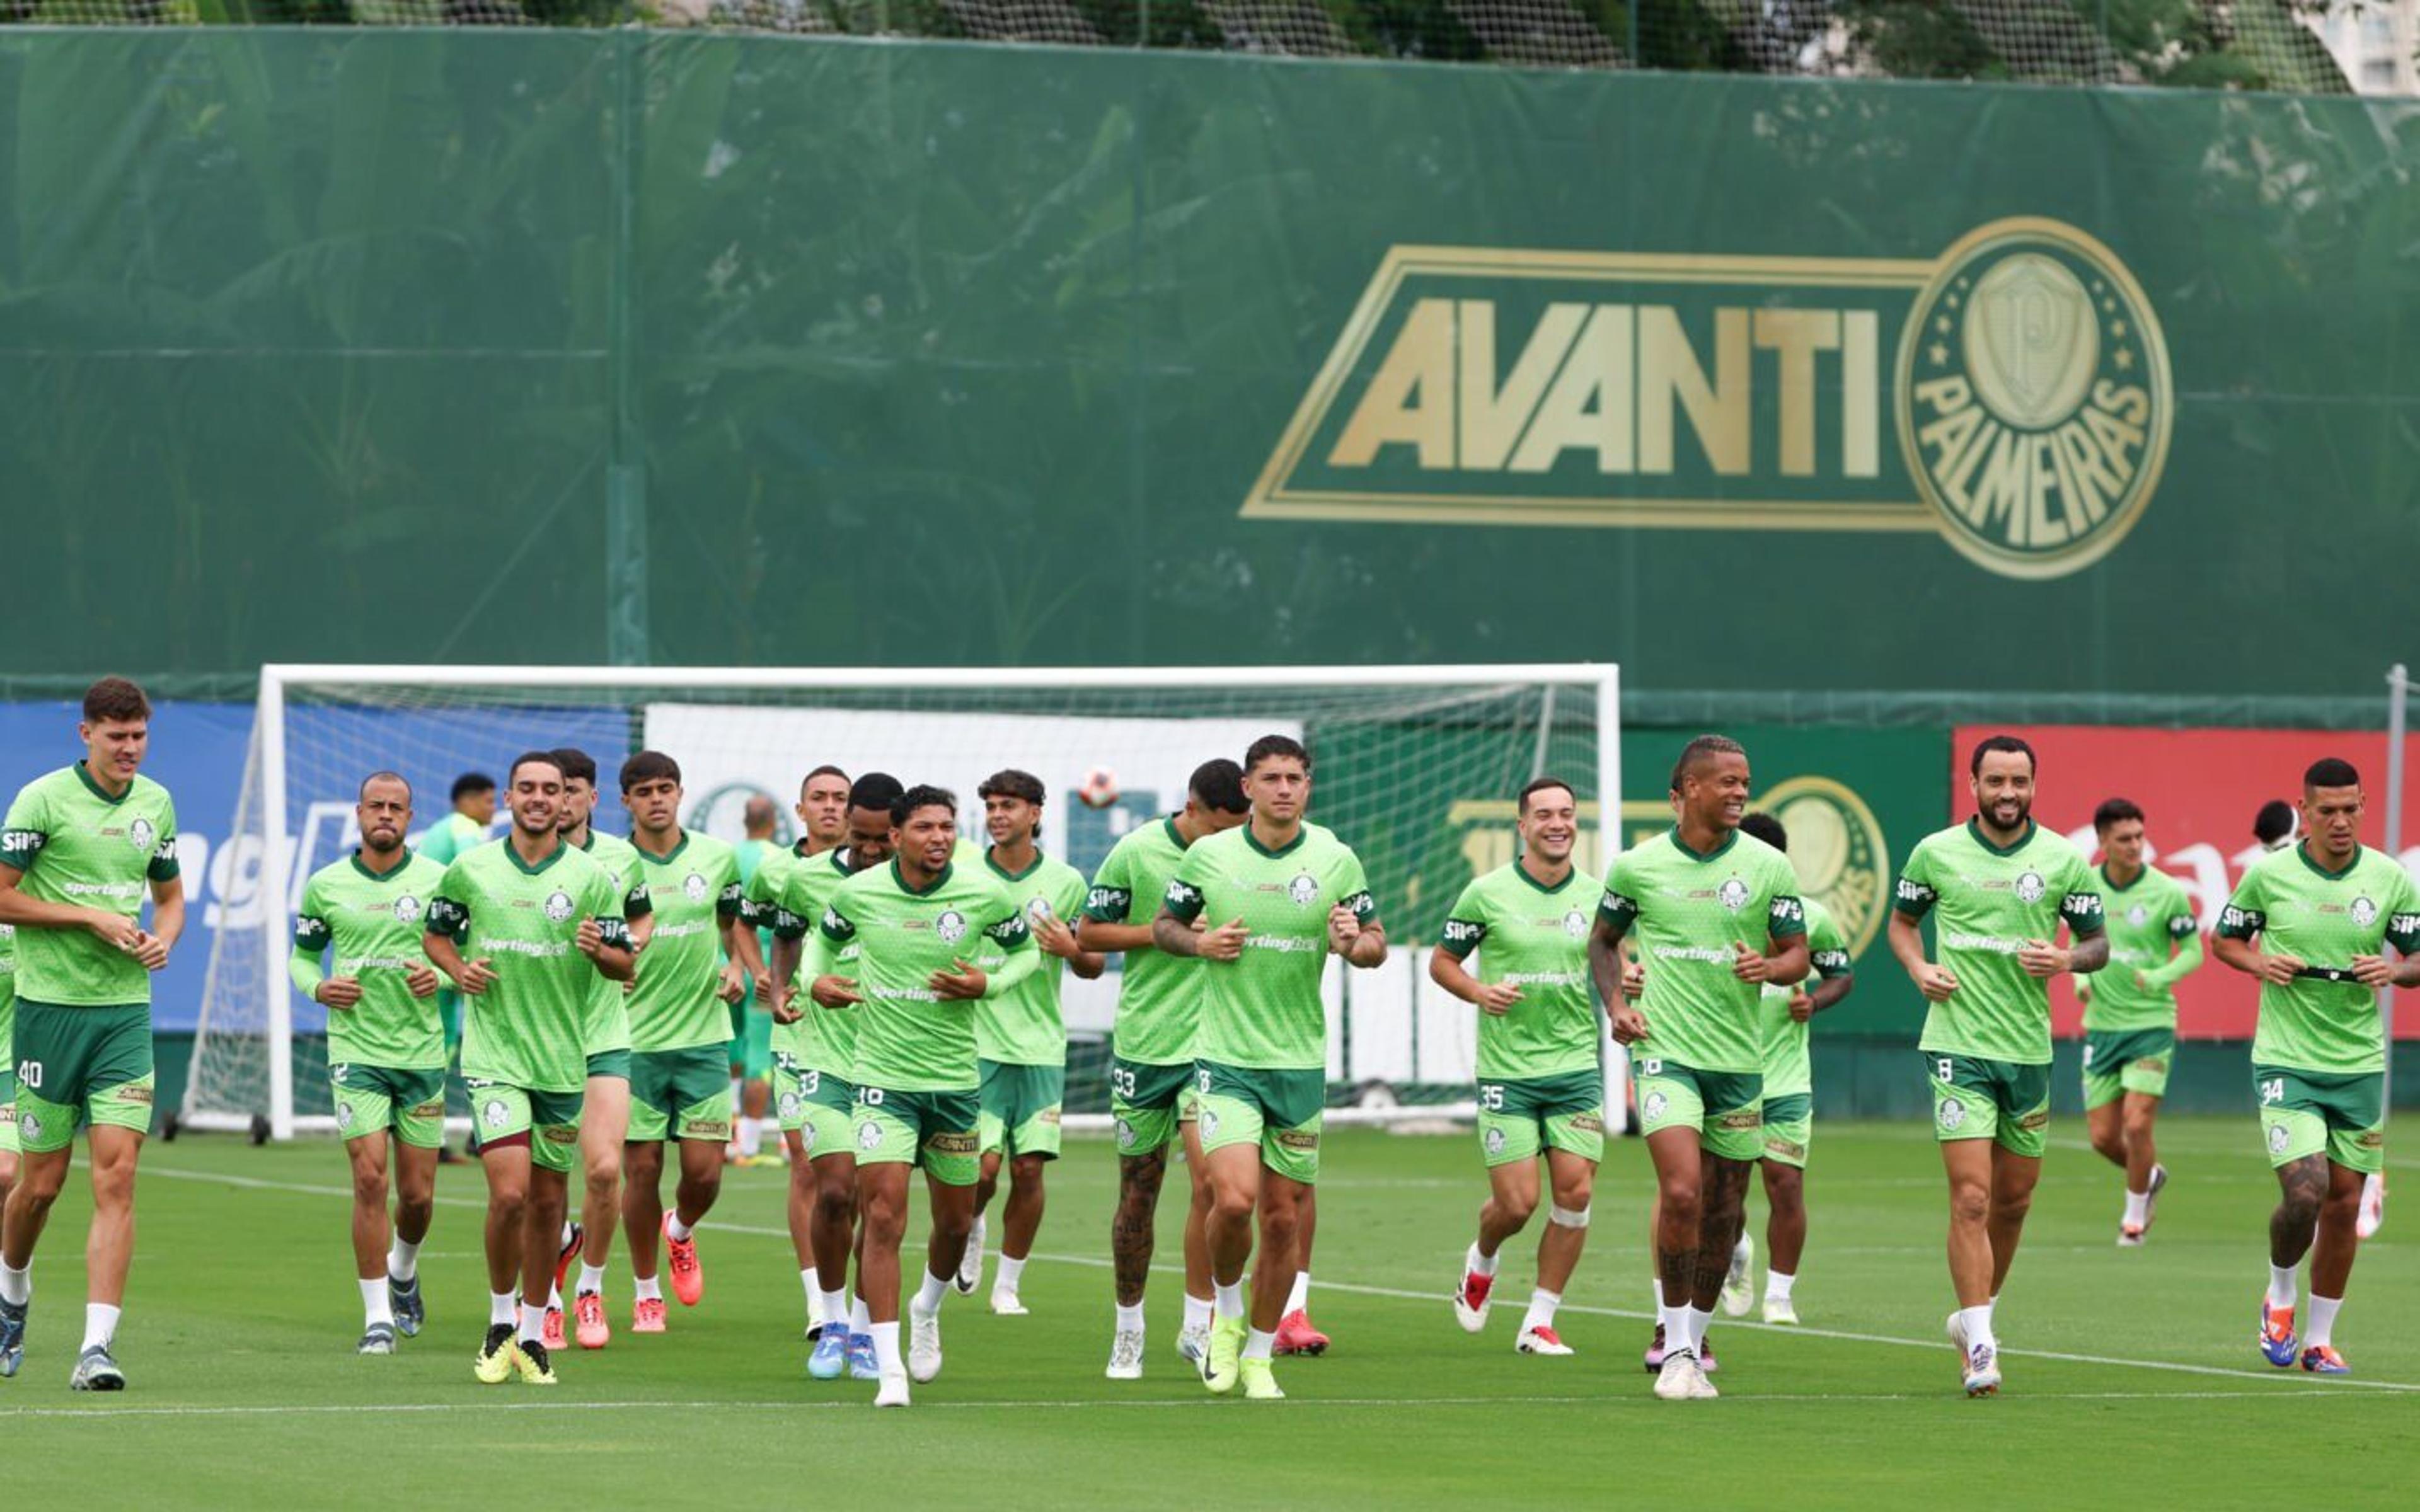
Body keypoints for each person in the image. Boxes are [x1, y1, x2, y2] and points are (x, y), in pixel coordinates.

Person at [1156, 734, 1386, 1402]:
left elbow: (1375, 945)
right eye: (1272, 778)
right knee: (1233, 1200)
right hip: (1225, 1058)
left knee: (1283, 1219)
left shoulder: (1335, 859)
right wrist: (1199, 941)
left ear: (1308, 786)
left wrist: (1353, 945)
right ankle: (1226, 1317)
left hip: (1298, 1064)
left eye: (1296, 777)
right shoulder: (1210, 855)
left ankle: (1259, 1355)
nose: (1285, 788)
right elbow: (1165, 926)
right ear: (1248, 788)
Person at [1587, 736, 1807, 1403]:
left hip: (1740, 1063)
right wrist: (1618, 1005)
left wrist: (1769, 968)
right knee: (1682, 1192)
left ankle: (1697, 1334)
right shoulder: (1638, 866)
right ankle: (1676, 1342)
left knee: (1725, 1209)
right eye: (1726, 783)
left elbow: (1798, 953)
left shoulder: (1769, 867)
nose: (1740, 792)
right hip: (1665, 1053)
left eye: (1745, 781)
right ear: (1685, 790)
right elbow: (1601, 941)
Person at [805, 784, 1038, 1407]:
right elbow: (820, 942)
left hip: (957, 1085)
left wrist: (989, 982)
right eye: (926, 827)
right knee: (881, 1215)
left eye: (948, 827)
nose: (939, 837)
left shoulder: (984, 894)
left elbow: (1029, 953)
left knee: (956, 1223)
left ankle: (927, 1309)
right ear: (899, 834)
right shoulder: (859, 892)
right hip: (881, 1081)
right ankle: (888, 1371)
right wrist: (815, 980)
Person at [1889, 733, 2104, 1398]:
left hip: (2028, 1053)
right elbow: (1901, 924)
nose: (2007, 793)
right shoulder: (1937, 852)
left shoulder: (2064, 860)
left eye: (2019, 781)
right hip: (1957, 1046)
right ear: (1974, 786)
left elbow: (2098, 945)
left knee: (2014, 1202)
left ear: (2033, 786)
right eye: (1996, 781)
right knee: (1973, 1197)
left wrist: (2066, 960)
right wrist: (1920, 967)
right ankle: (1981, 1346)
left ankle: (1974, 1314)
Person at [425, 751, 635, 1387]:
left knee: (548, 1206)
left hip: (562, 1061)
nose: (540, 798)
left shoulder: (593, 878)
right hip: (495, 1057)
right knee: (510, 1194)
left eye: (551, 789)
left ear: (564, 800)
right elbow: (436, 934)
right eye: (528, 789)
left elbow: (627, 968)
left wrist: (605, 955)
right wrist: (458, 971)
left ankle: (537, 1327)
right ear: (509, 799)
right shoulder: (472, 869)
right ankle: (498, 1319)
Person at [0, 677, 183, 1389]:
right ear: (87, 736)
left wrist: (161, 939)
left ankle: (96, 1348)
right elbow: (3, 896)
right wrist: (89, 917)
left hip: (123, 1018)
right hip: (48, 1015)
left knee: (118, 1176)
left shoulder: (156, 803)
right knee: (38, 1185)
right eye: (116, 737)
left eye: (138, 735)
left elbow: (170, 898)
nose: (129, 748)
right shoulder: (41, 799)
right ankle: (12, 1290)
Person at [2213, 757, 2420, 1377]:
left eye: (2351, 808)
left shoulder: (2389, 879)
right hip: (2287, 1060)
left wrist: (2395, 971)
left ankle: (2320, 1339)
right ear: (2303, 812)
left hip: (2358, 1064)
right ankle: (2280, 1293)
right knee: (2306, 1191)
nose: (2340, 821)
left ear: (2363, 807)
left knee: (2346, 1203)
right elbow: (2224, 941)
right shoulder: (2269, 877)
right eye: (2326, 810)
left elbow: (2418, 956)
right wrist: (2259, 965)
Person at [1081, 758, 1250, 1378]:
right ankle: (1128, 1329)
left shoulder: (1245, 857)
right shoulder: (1137, 851)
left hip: (1214, 1045)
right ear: (1193, 808)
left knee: (1215, 1185)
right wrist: (1165, 933)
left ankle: (1198, 1324)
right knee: (1139, 1193)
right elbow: (1089, 933)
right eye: (1219, 827)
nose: (1228, 839)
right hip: (1147, 1044)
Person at [1436, 776, 1605, 1356]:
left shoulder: (1598, 897)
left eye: (1567, 814)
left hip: (1576, 1066)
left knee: (1576, 1195)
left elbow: (1615, 962)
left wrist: (1628, 983)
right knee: (1517, 1204)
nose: (1558, 824)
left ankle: (1539, 1320)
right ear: (1522, 827)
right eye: (1545, 815)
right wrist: (1480, 992)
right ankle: (1480, 1261)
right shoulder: (1487, 893)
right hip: (1509, 1071)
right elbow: (1443, 962)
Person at [289, 772, 451, 1353]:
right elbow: (303, 958)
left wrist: (446, 975)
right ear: (359, 813)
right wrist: (318, 988)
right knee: (368, 1179)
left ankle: (403, 1268)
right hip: (356, 1052)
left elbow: (471, 953)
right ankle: (377, 1317)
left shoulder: (439, 882)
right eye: (376, 806)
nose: (386, 815)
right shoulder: (326, 885)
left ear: (411, 817)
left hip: (421, 1053)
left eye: (397, 808)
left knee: (418, 1196)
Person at [754, 772, 900, 1378]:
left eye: (878, 841)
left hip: (893, 1060)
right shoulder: (807, 879)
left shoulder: (923, 888)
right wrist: (783, 989)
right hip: (820, 1056)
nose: (868, 852)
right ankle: (832, 1319)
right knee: (834, 1187)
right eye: (859, 839)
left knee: (878, 1202)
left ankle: (867, 1330)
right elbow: (785, 940)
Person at [960, 770, 1103, 1315]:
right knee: (984, 1171)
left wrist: (1071, 947)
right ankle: (972, 1224)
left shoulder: (1066, 882)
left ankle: (1008, 1285)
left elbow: (1091, 965)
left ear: (1035, 814)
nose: (999, 815)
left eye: (1010, 806)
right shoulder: (965, 875)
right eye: (992, 806)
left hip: (1040, 1047)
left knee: (1029, 1170)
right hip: (976, 1044)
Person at [616, 752, 747, 1332]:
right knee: (640, 1171)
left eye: (666, 788)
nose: (657, 799)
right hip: (632, 1041)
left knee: (704, 1174)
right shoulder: (612, 864)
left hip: (702, 1038)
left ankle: (682, 1231)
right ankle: (647, 1293)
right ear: (627, 801)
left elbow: (733, 922)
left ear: (680, 792)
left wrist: (741, 966)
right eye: (644, 791)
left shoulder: (717, 859)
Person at [549, 747, 652, 1351]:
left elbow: (641, 922)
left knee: (607, 1168)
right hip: (537, 1037)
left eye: (573, 790)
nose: (561, 801)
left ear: (591, 798)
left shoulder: (620, 858)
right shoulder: (498, 866)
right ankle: (546, 1293)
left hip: (604, 1031)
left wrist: (625, 953)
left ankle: (590, 1287)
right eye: (552, 789)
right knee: (543, 1180)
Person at [2076, 799, 2201, 1247]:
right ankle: (2150, 1177)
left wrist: (2160, 976)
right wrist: (2079, 983)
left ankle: (2132, 1219)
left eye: (2139, 837)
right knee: (2104, 1138)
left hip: (2151, 1024)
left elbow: (2193, 951)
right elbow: (2079, 938)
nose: (2135, 846)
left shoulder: (2167, 892)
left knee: (2136, 1123)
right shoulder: (2085, 886)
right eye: (2124, 839)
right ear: (2103, 841)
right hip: (2103, 1025)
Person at [422, 772, 498, 1163]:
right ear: (467, 801)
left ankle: (473, 1133)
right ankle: (427, 1135)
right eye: (488, 801)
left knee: (446, 1043)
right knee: (444, 1045)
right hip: (439, 954)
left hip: (434, 949)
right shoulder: (463, 829)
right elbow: (479, 876)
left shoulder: (439, 831)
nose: (493, 808)